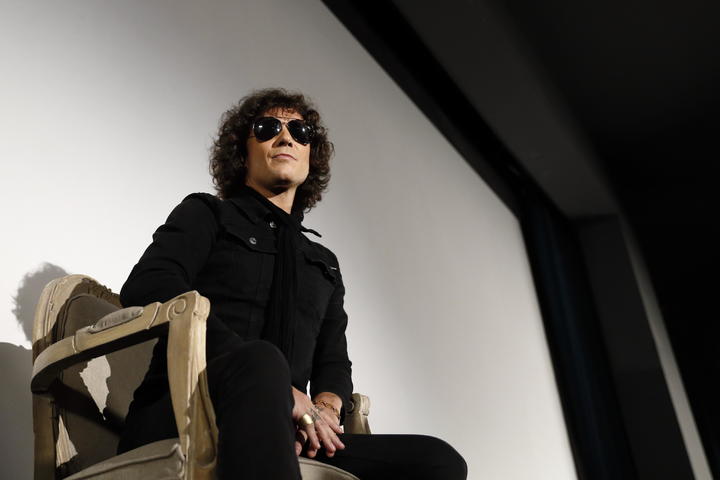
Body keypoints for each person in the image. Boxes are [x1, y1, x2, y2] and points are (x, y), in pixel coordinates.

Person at [117, 88, 467, 480]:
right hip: (187, 407)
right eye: (268, 128)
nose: (286, 138)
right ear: (242, 152)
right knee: (263, 361)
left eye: (300, 132)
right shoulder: (208, 214)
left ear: (310, 155)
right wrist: (280, 392)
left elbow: (333, 362)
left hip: (290, 426)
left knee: (438, 462)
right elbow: (149, 284)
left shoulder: (324, 265)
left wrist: (324, 410)